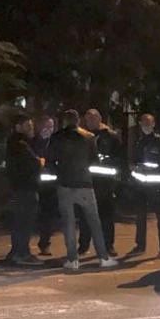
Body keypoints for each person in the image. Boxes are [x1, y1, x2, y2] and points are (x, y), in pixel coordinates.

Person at [49, 110, 118, 270]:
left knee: (69, 223)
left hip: (65, 184)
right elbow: (94, 160)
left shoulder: (57, 137)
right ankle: (103, 257)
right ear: (78, 120)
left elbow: (50, 161)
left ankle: (72, 259)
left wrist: (60, 173)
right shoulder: (89, 137)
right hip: (85, 184)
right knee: (94, 222)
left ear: (65, 121)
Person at [77, 109, 122, 256]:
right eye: (88, 119)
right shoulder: (81, 136)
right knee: (85, 217)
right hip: (87, 183)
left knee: (106, 217)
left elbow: (120, 159)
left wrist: (117, 180)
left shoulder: (111, 136)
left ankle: (108, 246)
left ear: (100, 119)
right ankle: (83, 246)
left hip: (106, 184)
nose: (91, 122)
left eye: (94, 119)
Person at [128, 113, 160, 259]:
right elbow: (134, 161)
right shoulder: (139, 141)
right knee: (140, 218)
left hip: (158, 187)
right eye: (144, 124)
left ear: (153, 124)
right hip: (141, 186)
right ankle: (140, 245)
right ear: (140, 125)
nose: (146, 126)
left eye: (149, 124)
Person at [5, 112, 44, 266]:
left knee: (20, 221)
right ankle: (22, 253)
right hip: (25, 187)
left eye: (31, 125)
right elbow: (35, 163)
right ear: (18, 127)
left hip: (20, 187)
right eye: (28, 126)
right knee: (24, 221)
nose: (31, 128)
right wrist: (40, 161)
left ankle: (17, 252)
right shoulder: (20, 144)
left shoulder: (17, 143)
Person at [32, 115, 58, 256]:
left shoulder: (55, 142)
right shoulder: (34, 142)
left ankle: (45, 244)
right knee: (36, 215)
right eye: (47, 126)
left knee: (48, 216)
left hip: (50, 186)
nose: (49, 129)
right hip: (36, 184)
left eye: (51, 126)